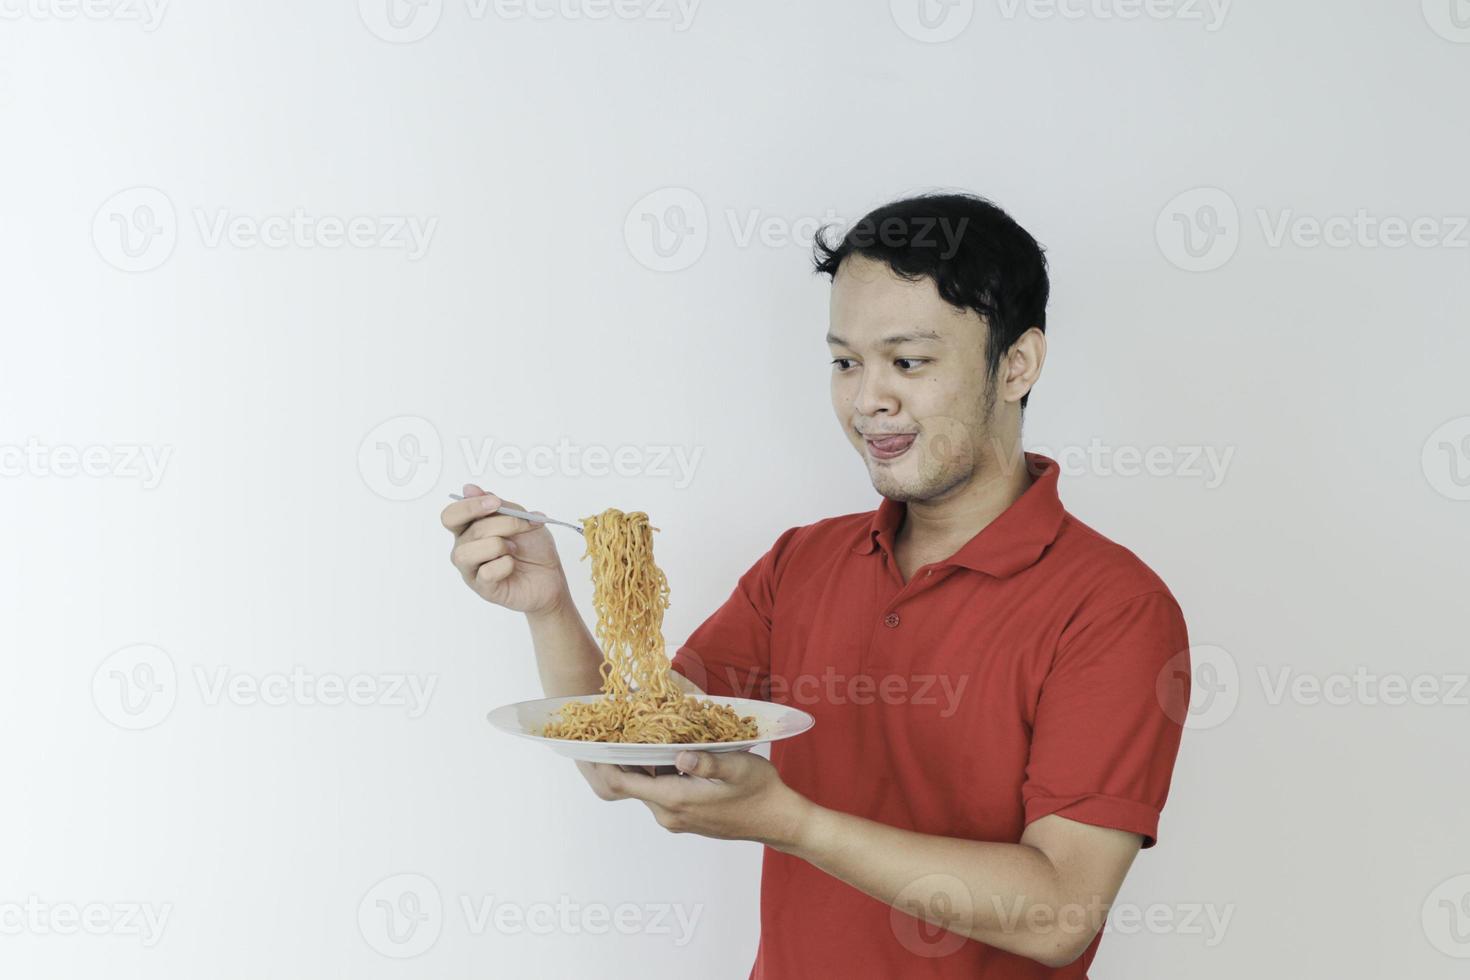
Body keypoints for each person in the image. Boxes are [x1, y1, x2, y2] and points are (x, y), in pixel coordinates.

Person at [441, 192, 1191, 977]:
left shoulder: (1113, 609)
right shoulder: (800, 564)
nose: (869, 399)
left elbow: (1058, 914)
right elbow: (628, 758)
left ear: (1017, 365)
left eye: (909, 361)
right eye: (845, 361)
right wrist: (551, 606)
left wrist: (792, 823)